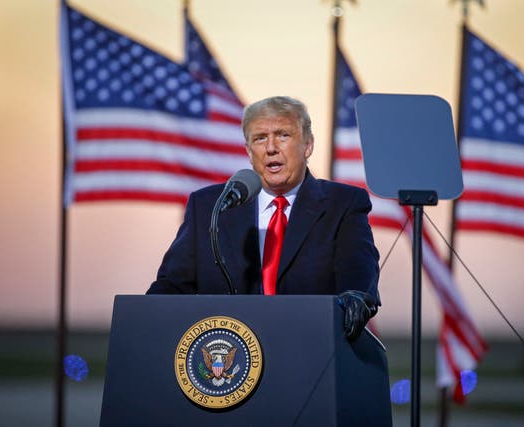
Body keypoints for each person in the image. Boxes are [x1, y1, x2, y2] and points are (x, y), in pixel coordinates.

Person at [147, 96, 380, 340]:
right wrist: (141, 319)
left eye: (283, 135)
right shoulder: (210, 207)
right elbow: (170, 287)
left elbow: (358, 271)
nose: (271, 148)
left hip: (310, 349)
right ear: (249, 151)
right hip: (229, 359)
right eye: (260, 138)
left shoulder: (342, 204)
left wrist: (356, 296)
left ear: (308, 145)